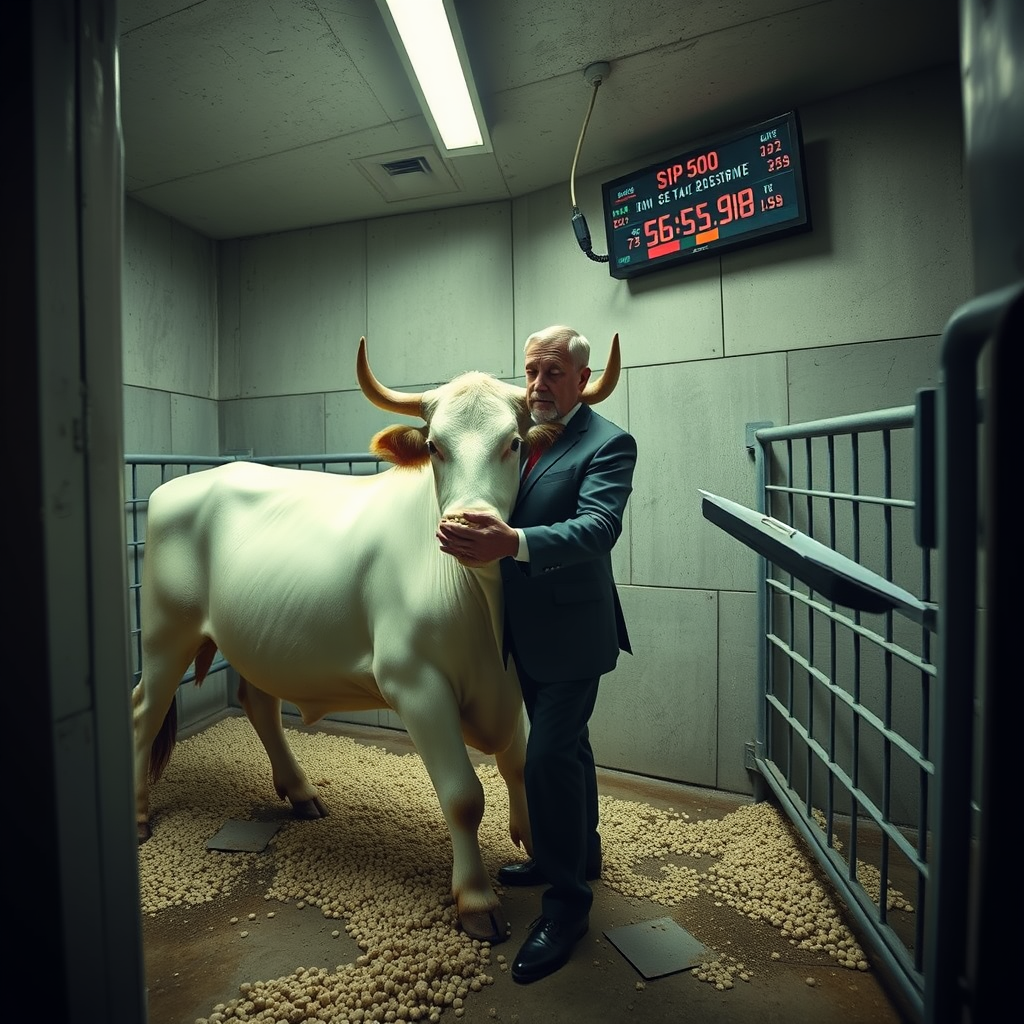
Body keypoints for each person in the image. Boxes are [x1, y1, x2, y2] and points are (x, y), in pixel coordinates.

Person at [436, 324, 637, 984]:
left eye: (554, 373)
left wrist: (513, 543)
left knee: (548, 756)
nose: (538, 384)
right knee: (572, 751)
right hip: (525, 632)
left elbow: (598, 528)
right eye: (531, 371)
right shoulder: (518, 431)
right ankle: (580, 855)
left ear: (583, 379)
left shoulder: (608, 443)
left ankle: (566, 908)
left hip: (576, 635)